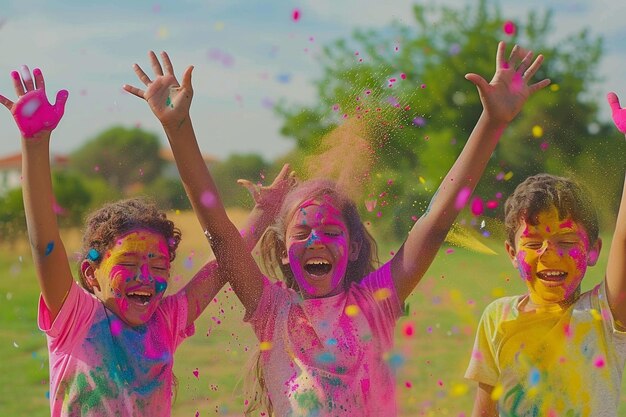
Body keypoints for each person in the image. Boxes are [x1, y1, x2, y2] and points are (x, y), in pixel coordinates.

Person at [122, 42, 549, 416]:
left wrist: (492, 123)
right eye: (301, 232)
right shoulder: (273, 311)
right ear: (284, 249)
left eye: (330, 231)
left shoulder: (375, 302)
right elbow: (219, 233)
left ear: (355, 245)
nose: (315, 241)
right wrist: (179, 130)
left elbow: (436, 223)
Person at [0, 65, 259, 417]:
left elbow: (226, 258)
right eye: (128, 264)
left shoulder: (165, 322)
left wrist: (265, 214)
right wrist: (34, 143)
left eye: (157, 266)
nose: (146, 277)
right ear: (91, 274)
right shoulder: (76, 317)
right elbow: (45, 246)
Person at [465, 93, 626, 416]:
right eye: (534, 242)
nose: (549, 254)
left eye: (566, 241)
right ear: (512, 252)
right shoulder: (497, 317)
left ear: (593, 251)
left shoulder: (605, 316)